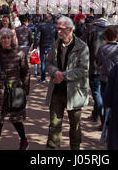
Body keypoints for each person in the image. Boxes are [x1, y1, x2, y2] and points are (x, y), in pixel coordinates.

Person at [45, 16, 89, 150]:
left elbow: (83, 69)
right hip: (56, 92)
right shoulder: (55, 44)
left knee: (75, 126)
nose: (58, 31)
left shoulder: (82, 47)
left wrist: (64, 75)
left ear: (70, 30)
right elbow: (49, 63)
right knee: (54, 125)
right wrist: (55, 72)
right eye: (57, 28)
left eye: (61, 29)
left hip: (74, 93)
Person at [0, 28, 30, 150]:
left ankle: (24, 140)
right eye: (3, 38)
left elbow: (26, 73)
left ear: (12, 39)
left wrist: (25, 91)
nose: (6, 40)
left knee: (16, 120)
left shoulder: (19, 53)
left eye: (8, 37)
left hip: (15, 91)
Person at [95, 25, 118, 128]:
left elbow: (98, 63)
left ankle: (105, 123)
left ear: (105, 36)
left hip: (105, 78)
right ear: (117, 36)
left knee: (106, 102)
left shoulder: (102, 48)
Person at [83, 9, 109, 127]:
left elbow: (83, 45)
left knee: (96, 93)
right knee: (101, 92)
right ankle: (95, 115)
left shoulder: (91, 29)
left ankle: (103, 120)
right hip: (107, 66)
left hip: (94, 65)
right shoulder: (111, 28)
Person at [34, 13, 57, 82]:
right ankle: (54, 77)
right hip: (52, 45)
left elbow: (37, 36)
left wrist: (35, 45)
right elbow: (57, 36)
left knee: (43, 62)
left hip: (43, 45)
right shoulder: (54, 26)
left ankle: (43, 78)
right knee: (53, 62)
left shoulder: (40, 25)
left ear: (44, 18)